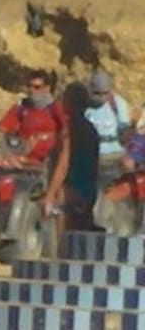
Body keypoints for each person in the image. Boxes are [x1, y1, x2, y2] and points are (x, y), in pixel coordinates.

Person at [0, 69, 70, 219]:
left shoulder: (55, 108)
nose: (32, 91)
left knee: (58, 193)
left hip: (48, 163)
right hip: (23, 161)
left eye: (37, 87)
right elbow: (1, 131)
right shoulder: (22, 108)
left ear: (47, 88)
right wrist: (8, 154)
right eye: (29, 87)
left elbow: (67, 135)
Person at [60, 82, 100, 231]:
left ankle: (58, 246)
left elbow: (63, 165)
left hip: (75, 189)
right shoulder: (90, 129)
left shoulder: (70, 128)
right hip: (89, 190)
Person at [83, 70, 134, 183]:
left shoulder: (117, 103)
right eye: (97, 93)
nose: (101, 97)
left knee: (129, 166)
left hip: (115, 153)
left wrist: (131, 128)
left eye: (105, 93)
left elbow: (124, 130)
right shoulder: (84, 105)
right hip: (93, 154)